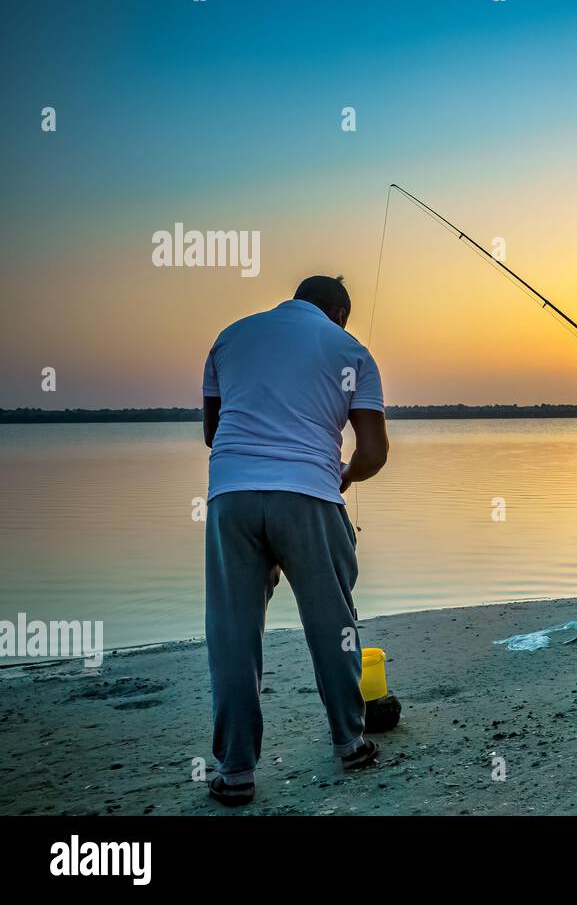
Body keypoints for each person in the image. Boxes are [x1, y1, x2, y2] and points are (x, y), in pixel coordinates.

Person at [201, 275, 389, 806]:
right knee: (333, 625)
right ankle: (350, 742)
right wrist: (344, 474)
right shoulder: (349, 349)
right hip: (309, 493)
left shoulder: (230, 336)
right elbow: (373, 450)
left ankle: (236, 772)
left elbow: (215, 433)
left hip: (230, 496)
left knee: (232, 633)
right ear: (340, 313)